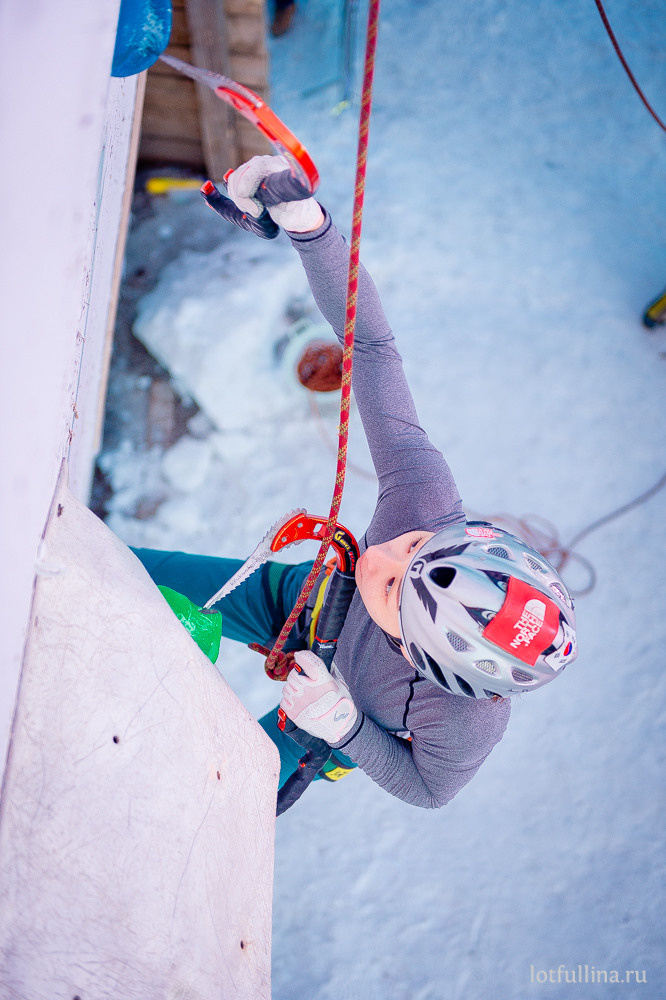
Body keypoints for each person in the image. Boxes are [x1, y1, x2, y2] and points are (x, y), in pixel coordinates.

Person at [134, 155, 578, 808]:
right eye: (414, 548)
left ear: (420, 657)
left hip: (325, 724)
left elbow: (430, 790)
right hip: (297, 599)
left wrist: (345, 727)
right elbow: (370, 344)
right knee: (130, 573)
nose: (385, 551)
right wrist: (309, 227)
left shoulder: (465, 721)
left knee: (212, 801)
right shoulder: (424, 504)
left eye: (396, 583)